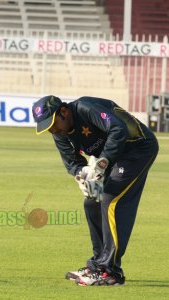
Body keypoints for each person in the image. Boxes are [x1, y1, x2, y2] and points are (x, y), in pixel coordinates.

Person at [32, 95, 159, 286]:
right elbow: (72, 163)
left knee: (110, 199)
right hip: (110, 159)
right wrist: (81, 176)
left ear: (64, 112)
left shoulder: (85, 108)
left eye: (53, 124)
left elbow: (118, 128)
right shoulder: (60, 133)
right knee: (91, 201)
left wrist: (102, 162)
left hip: (137, 148)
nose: (53, 131)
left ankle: (110, 272)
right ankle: (98, 265)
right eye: (47, 128)